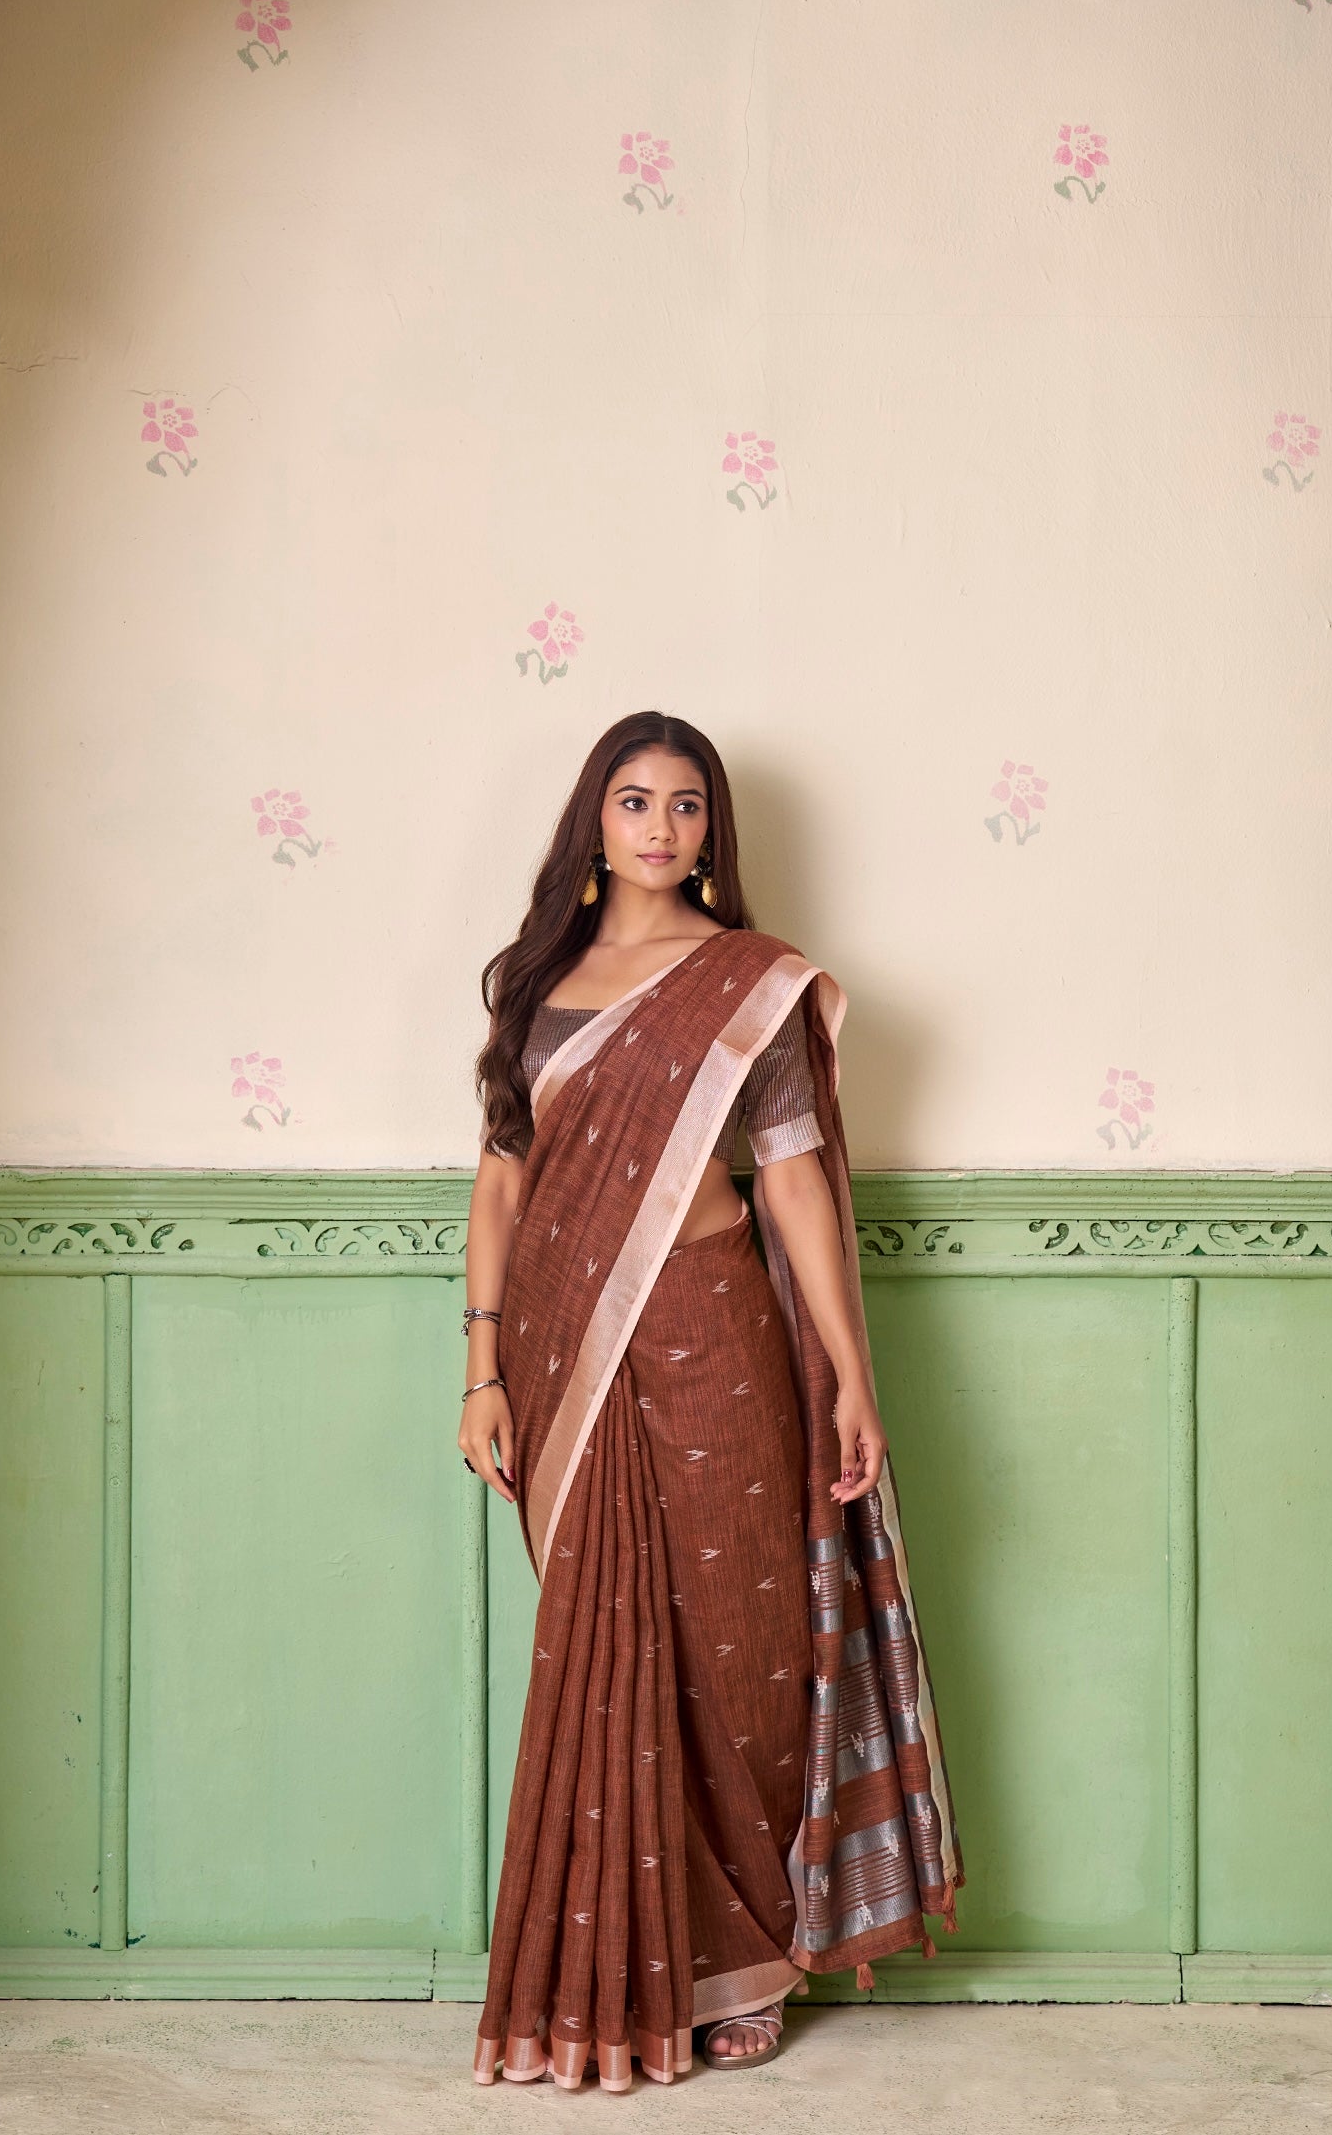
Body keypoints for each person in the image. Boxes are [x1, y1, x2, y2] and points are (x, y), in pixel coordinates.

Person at [460, 711, 961, 2089]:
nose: (663, 827)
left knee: (740, 1644)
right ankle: (625, 1965)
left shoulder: (752, 983)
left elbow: (792, 1174)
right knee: (606, 1645)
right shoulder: (534, 982)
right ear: (596, 821)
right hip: (571, 1350)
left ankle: (745, 1959)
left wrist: (853, 1372)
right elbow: (503, 1183)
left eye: (688, 805)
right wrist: (482, 1370)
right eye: (636, 800)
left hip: (720, 1323)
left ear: (711, 832)